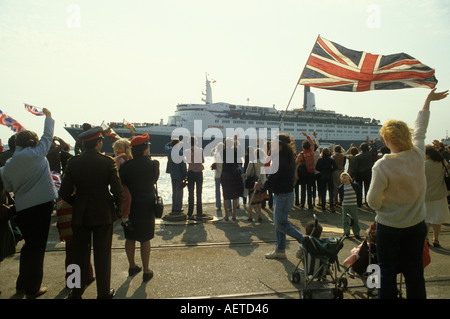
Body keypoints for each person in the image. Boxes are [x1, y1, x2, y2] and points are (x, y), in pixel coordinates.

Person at [367, 88, 449, 299]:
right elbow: (421, 128)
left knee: (386, 270)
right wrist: (427, 100)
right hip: (416, 224)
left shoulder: (382, 166)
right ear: (407, 137)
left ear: (385, 140)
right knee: (414, 272)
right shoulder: (418, 154)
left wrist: (388, 205)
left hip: (389, 226)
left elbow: (373, 202)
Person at [59, 126, 123, 299]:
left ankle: (75, 291)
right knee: (103, 255)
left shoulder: (72, 162)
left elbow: (63, 192)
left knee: (77, 255)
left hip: (80, 214)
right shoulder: (108, 162)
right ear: (99, 142)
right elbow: (118, 191)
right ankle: (103, 293)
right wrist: (116, 207)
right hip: (103, 214)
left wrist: (77, 202)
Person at [1, 108, 57, 299]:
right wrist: (48, 117)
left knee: (28, 246)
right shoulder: (37, 153)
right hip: (42, 207)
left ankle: (22, 284)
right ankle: (33, 289)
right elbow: (48, 136)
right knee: (37, 248)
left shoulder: (8, 165)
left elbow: (8, 186)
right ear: (33, 143)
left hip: (23, 209)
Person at [256, 133, 304, 259]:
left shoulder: (279, 159)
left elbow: (272, 178)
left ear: (281, 146)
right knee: (280, 223)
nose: (272, 145)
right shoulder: (289, 157)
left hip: (282, 196)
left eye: (274, 143)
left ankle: (305, 241)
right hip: (286, 194)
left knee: (280, 225)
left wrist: (261, 187)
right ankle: (280, 250)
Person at [119, 133, 159, 282]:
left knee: (130, 237)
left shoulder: (126, 167)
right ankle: (147, 270)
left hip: (129, 207)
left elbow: (120, 184)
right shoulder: (153, 164)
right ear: (145, 149)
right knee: (145, 239)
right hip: (147, 205)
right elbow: (154, 180)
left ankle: (132, 266)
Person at [424, 145, 450, 248]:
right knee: (437, 219)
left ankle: (426, 238)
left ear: (428, 155)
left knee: (426, 219)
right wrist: (439, 150)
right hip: (439, 195)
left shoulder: (423, 165)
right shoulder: (442, 163)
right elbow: (447, 165)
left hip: (426, 195)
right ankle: (436, 239)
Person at [220, 137, 244, 221]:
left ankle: (226, 215)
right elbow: (241, 155)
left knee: (226, 196)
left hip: (225, 173)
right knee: (234, 196)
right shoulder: (234, 151)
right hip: (233, 175)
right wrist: (235, 146)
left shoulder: (222, 152)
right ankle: (234, 215)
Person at [113, 138, 133, 223]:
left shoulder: (129, 159)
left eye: (119, 148)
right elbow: (115, 169)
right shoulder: (118, 159)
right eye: (116, 148)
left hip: (128, 181)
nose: (117, 150)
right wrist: (118, 158)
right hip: (121, 182)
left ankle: (128, 213)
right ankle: (124, 216)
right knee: (126, 197)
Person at [245, 148, 267, 222]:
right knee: (259, 200)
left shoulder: (252, 162)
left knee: (251, 200)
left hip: (253, 183)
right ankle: (259, 215)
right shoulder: (263, 163)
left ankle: (250, 216)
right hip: (261, 183)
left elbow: (248, 173)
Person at [185, 136, 205, 220]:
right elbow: (203, 161)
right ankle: (199, 212)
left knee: (190, 193)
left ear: (189, 142)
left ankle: (190, 212)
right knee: (199, 193)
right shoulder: (200, 150)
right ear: (196, 142)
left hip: (191, 173)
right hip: (199, 173)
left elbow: (188, 161)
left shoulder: (187, 151)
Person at [165, 139, 187, 215]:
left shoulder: (169, 151)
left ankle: (174, 207)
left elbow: (166, 146)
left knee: (174, 191)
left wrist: (170, 143)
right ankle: (178, 208)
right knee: (179, 192)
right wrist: (185, 175)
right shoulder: (180, 153)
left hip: (172, 174)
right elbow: (183, 165)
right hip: (179, 174)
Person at [295, 132, 315, 209]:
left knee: (303, 189)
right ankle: (310, 204)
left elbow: (296, 162)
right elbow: (312, 143)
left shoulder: (301, 154)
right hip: (311, 172)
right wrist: (307, 136)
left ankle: (302, 204)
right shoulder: (312, 152)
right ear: (309, 146)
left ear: (303, 147)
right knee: (309, 189)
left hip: (303, 174)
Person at [338, 172, 362, 239]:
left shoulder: (355, 185)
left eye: (346, 175)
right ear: (341, 180)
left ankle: (356, 233)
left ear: (349, 178)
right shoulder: (341, 187)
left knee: (355, 219)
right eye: (342, 176)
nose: (344, 177)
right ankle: (346, 233)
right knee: (345, 220)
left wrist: (359, 203)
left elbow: (359, 194)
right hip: (345, 205)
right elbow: (341, 196)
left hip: (353, 205)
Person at [354, 137, 376, 206]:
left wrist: (354, 175)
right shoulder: (369, 154)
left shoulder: (357, 156)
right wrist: (370, 141)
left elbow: (355, 167)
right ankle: (367, 202)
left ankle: (359, 202)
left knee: (359, 188)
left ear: (360, 148)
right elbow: (373, 148)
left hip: (359, 174)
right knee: (367, 187)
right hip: (368, 173)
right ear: (367, 148)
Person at [315, 147, 337, 212]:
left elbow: (317, 168)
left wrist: (321, 170)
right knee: (331, 190)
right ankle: (331, 206)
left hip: (322, 175)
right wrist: (331, 170)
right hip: (329, 175)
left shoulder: (320, 159)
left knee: (323, 191)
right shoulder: (331, 159)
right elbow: (335, 167)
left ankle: (323, 206)